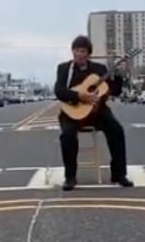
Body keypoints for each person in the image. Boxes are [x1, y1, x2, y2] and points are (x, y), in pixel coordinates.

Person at [54, 35, 133, 191]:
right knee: (67, 135)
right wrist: (79, 96)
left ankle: (118, 174)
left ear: (88, 53)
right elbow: (59, 91)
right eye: (76, 50)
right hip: (72, 112)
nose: (79, 54)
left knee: (117, 130)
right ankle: (70, 177)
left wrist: (118, 76)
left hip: (97, 112)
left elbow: (115, 91)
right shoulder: (64, 69)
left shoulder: (100, 69)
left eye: (82, 51)